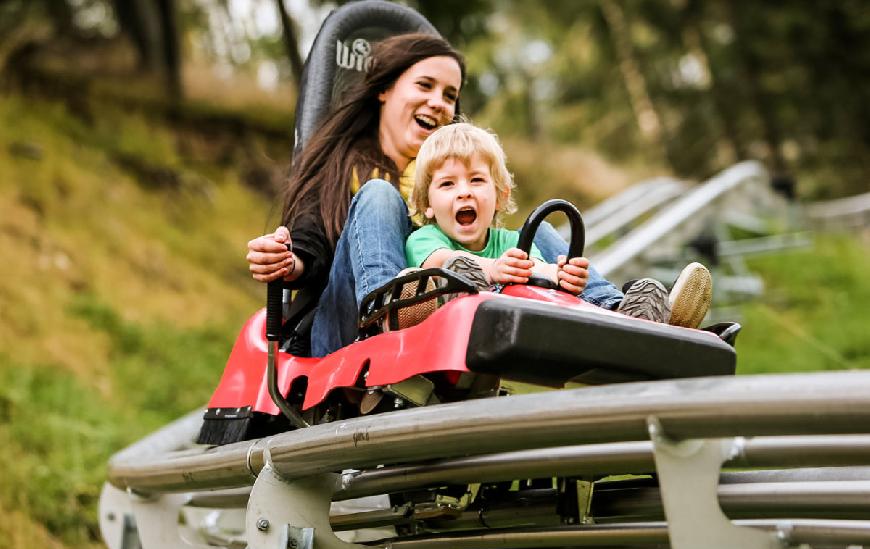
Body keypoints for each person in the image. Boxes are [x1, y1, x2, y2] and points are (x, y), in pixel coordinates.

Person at [246, 33, 706, 357]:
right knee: (381, 196)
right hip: (350, 329)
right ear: (385, 90)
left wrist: (549, 271)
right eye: (424, 86)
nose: (438, 103)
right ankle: (389, 309)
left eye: (449, 95)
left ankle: (624, 311)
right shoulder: (344, 171)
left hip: (448, 305)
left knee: (533, 229)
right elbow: (310, 244)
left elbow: (491, 242)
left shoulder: (448, 179)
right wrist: (291, 262)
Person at [404, 122, 712, 328]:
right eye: (447, 184)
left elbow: (537, 271)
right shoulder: (425, 238)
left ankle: (633, 313)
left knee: (546, 257)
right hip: (453, 324)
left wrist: (562, 275)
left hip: (519, 320)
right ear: (427, 205)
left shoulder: (511, 242)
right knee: (457, 268)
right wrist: (494, 269)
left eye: (476, 180)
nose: (464, 191)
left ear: (499, 197)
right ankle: (636, 315)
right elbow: (440, 264)